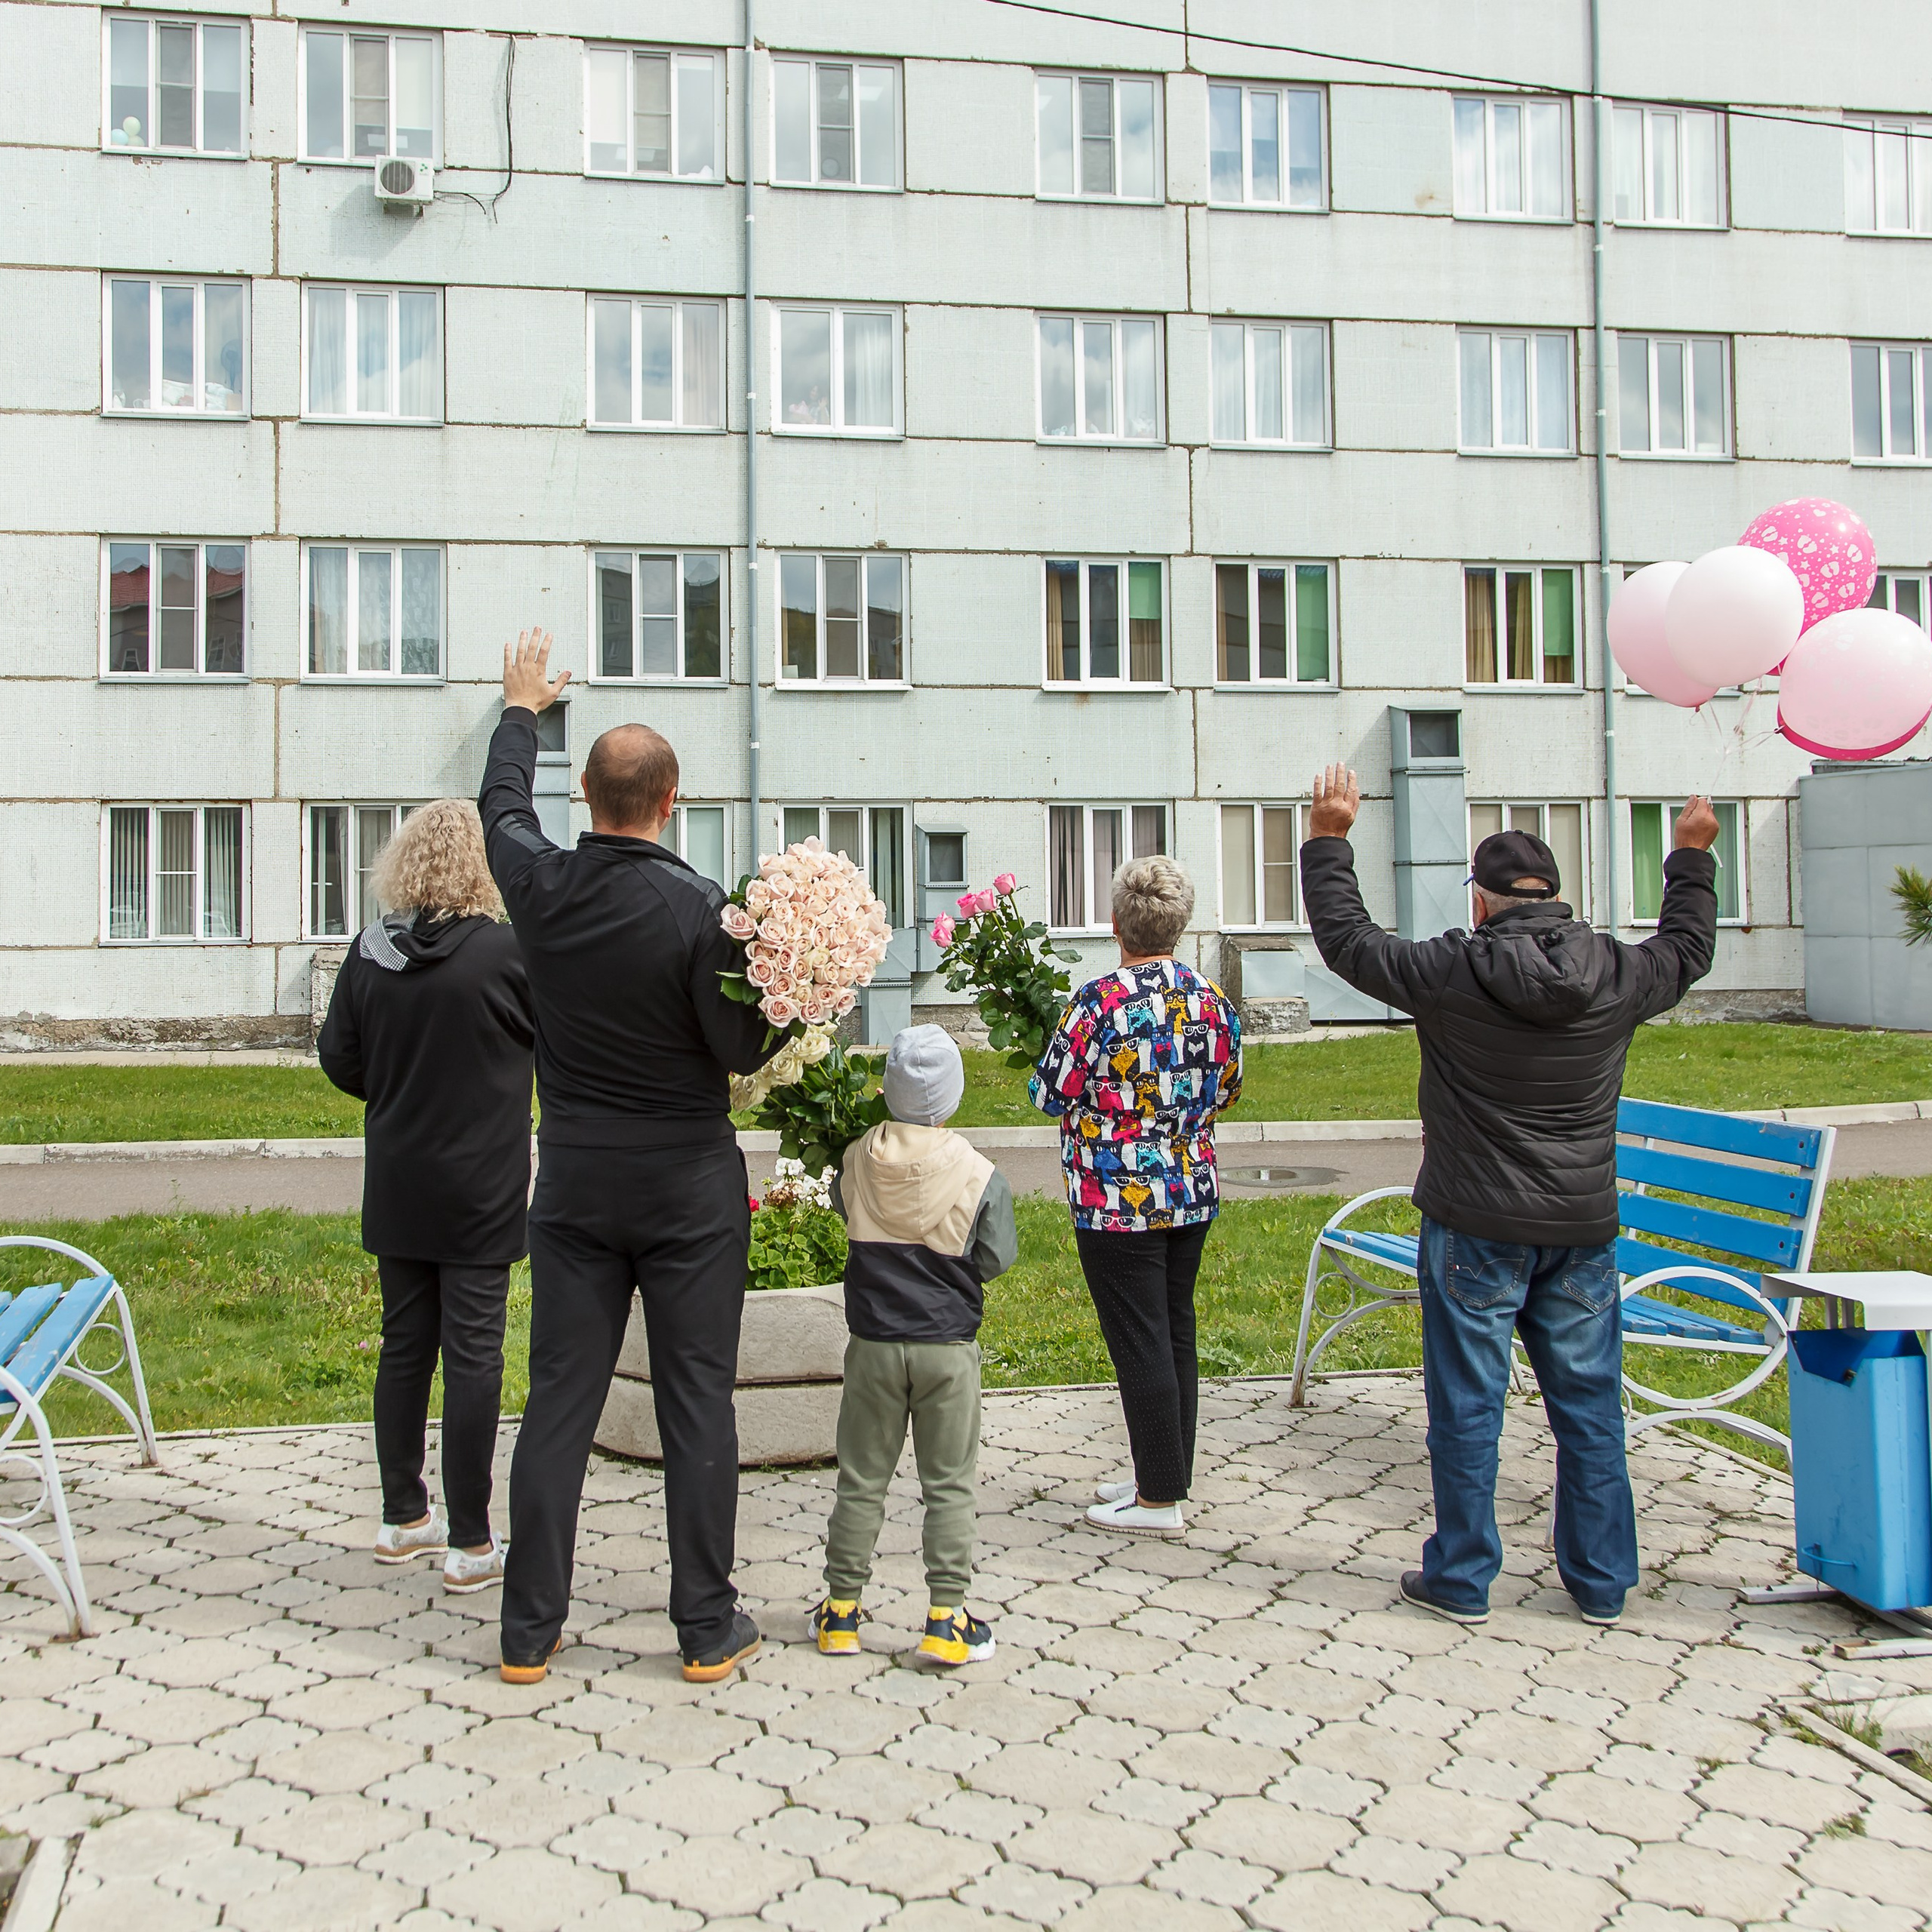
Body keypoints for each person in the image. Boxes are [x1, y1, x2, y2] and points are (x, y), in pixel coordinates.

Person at [1300, 764, 1721, 1628]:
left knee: (1467, 1405)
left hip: (1474, 1226)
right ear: (1553, 898)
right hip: (1579, 1230)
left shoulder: (1453, 970)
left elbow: (1349, 942)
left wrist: (1330, 838)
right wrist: (1689, 858)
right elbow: (1687, 951)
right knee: (1589, 1408)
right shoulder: (1615, 970)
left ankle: (1460, 1577)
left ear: (1482, 900)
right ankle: (1601, 1583)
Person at [478, 630, 777, 1685]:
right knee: (699, 1397)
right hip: (689, 1184)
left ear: (591, 802)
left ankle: (527, 1633)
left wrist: (521, 709)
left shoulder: (542, 887)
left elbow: (499, 811)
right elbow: (738, 1050)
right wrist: (793, 1000)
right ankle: (705, 1628)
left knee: (560, 1397)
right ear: (672, 800)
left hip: (573, 1180)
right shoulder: (703, 911)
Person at [315, 799, 535, 1597]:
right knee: (474, 1353)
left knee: (405, 1344)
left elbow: (338, 1057)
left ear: (404, 861)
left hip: (399, 1177)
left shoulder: (370, 951)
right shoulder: (510, 954)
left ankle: (403, 1514)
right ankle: (472, 1541)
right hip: (482, 1182)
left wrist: (396, 1088)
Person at [1030, 856, 1242, 1537]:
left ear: (1117, 923)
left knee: (1141, 1341)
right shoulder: (1213, 1001)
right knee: (1174, 1329)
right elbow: (1229, 1090)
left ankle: (1158, 1502)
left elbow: (1048, 1094)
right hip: (1190, 1187)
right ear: (1179, 926)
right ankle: (1165, 1473)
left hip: (1115, 1197)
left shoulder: (1097, 1003)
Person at [812, 1024, 1017, 1665]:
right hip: (947, 1348)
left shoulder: (854, 1158)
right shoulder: (981, 1174)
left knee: (861, 1477)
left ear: (889, 1090)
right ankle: (946, 1617)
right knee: (949, 1483)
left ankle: (841, 1611)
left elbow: (845, 1211)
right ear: (951, 1096)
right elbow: (996, 1258)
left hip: (872, 1342)